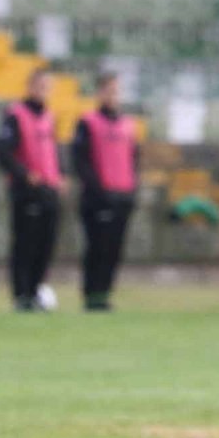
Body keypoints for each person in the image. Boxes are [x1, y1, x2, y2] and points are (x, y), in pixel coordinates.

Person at [0, 69, 67, 312]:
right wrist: (26, 175)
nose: (43, 90)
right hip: (26, 191)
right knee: (25, 244)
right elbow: (3, 152)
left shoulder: (49, 115)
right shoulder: (16, 114)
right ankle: (21, 294)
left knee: (46, 244)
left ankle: (37, 290)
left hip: (49, 189)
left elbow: (53, 152)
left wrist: (60, 177)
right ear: (30, 86)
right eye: (40, 85)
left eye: (48, 86)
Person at [72, 72, 139, 312]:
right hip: (98, 198)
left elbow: (134, 160)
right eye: (109, 90)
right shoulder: (88, 123)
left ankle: (104, 293)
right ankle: (91, 294)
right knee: (97, 247)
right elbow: (80, 160)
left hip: (122, 196)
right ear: (99, 93)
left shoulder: (128, 125)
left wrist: (132, 190)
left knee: (114, 248)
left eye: (116, 91)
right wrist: (98, 189)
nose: (113, 96)